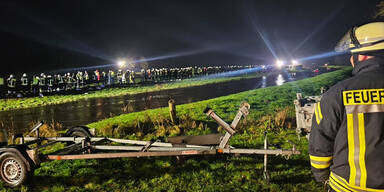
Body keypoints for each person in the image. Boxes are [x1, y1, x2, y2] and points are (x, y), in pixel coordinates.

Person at [309, 22, 384, 191]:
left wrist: (321, 175)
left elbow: (320, 141)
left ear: (362, 56)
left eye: (352, 54)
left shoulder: (337, 94)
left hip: (348, 186)